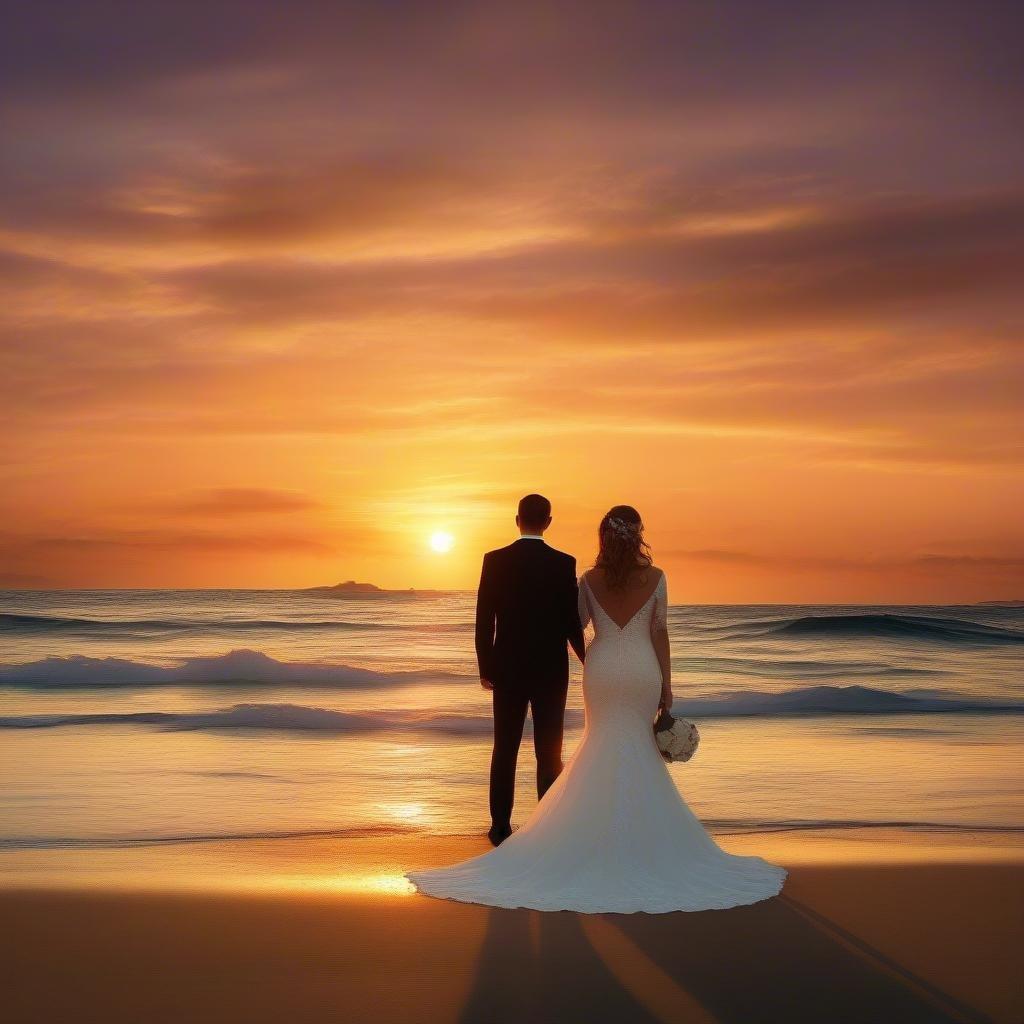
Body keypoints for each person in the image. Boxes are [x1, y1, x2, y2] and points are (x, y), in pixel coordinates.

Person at [407, 504, 786, 912]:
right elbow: (659, 632)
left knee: (594, 745)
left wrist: (537, 651)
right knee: (634, 747)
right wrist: (667, 684)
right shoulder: (656, 578)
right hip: (641, 670)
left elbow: (572, 624)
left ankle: (557, 831)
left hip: (601, 669)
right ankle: (638, 837)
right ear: (638, 534)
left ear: (604, 537)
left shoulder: (588, 579)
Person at [473, 493, 585, 846]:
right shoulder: (563, 563)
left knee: (504, 747)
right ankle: (546, 825)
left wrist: (485, 666)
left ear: (516, 519)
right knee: (548, 750)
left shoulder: (495, 560)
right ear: (548, 522)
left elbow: (483, 620)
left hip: (507, 666)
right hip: (551, 669)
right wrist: (589, 660)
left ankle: (499, 827)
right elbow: (571, 623)